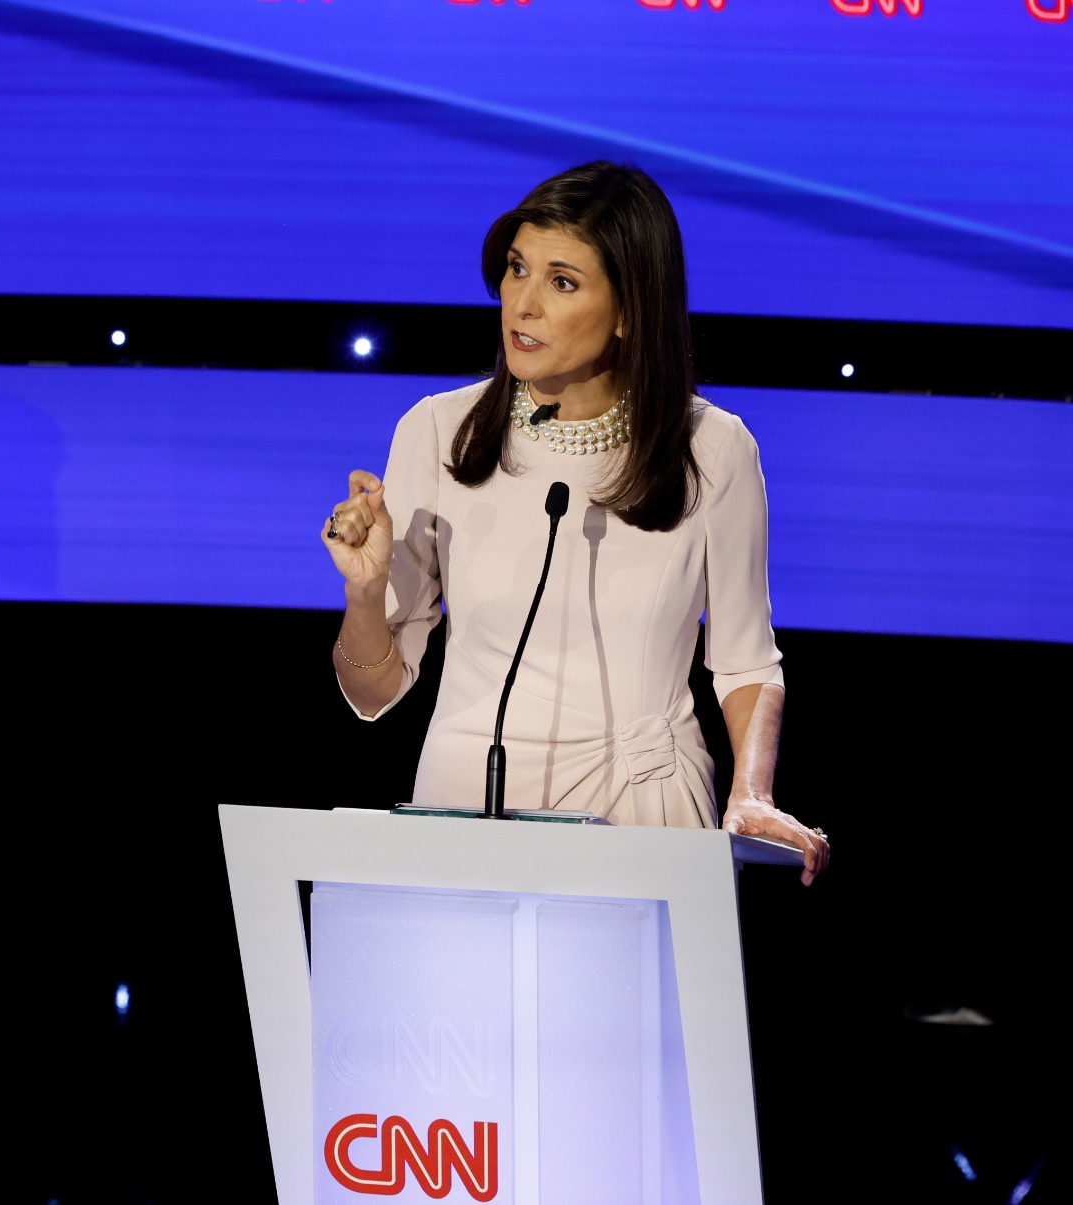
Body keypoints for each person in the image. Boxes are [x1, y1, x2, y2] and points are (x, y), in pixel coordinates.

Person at [323, 161, 829, 883]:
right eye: (516, 268)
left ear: (629, 310)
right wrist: (365, 594)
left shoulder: (714, 449)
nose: (521, 304)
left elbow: (746, 661)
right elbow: (375, 693)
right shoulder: (439, 431)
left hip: (642, 813)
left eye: (561, 282)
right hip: (470, 807)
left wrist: (750, 792)